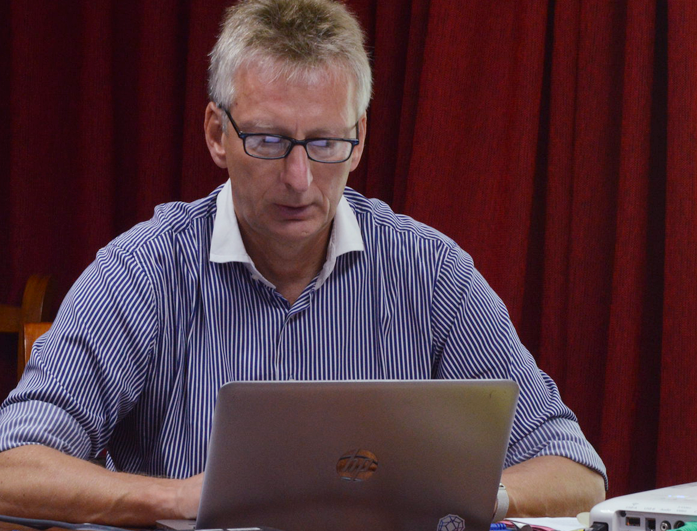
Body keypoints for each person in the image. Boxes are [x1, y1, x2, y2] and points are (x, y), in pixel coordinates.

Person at [0, 0, 606, 524]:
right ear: (217, 134)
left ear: (360, 139)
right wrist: (177, 499)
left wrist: (468, 499)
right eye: (267, 141)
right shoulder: (144, 271)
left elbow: (576, 474)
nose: (299, 179)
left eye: (324, 143)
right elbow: (13, 466)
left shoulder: (428, 271)